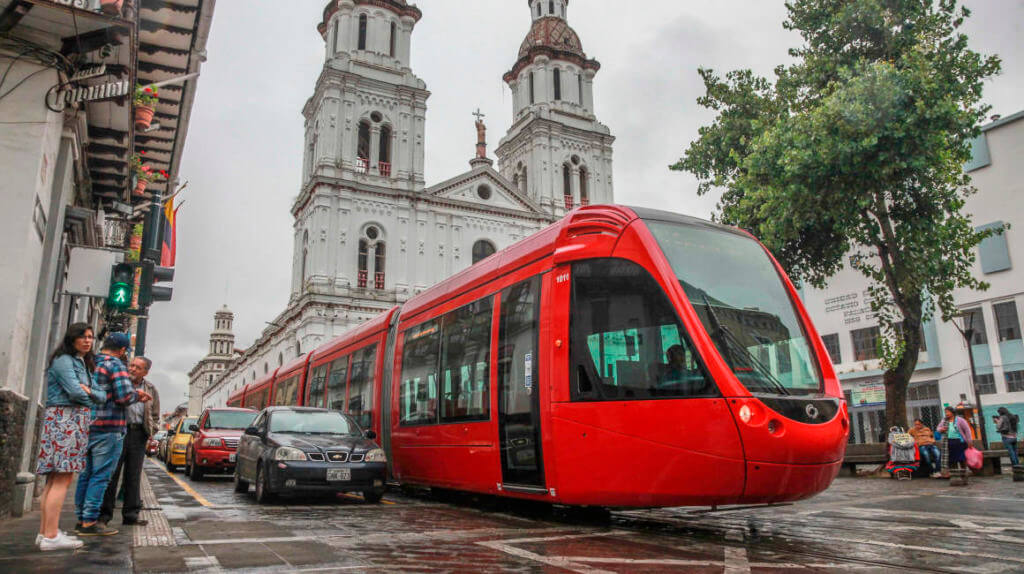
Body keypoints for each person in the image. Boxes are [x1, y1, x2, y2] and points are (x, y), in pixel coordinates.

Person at [34, 324, 106, 551]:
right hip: (66, 420)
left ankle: (46, 533)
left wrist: (89, 392)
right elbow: (75, 392)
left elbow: (102, 395)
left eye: (91, 337)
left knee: (55, 479)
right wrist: (88, 394)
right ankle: (51, 535)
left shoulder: (81, 363)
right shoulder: (64, 361)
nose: (88, 341)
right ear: (72, 338)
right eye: (83, 337)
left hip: (69, 420)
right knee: (61, 479)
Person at [74, 333, 151, 536]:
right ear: (123, 350)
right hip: (109, 426)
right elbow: (124, 396)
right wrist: (138, 396)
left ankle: (82, 517)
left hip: (87, 424)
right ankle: (90, 521)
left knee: (86, 474)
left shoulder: (88, 361)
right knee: (101, 476)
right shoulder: (115, 365)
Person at [99, 356, 161, 527]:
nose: (132, 369)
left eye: (137, 367)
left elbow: (155, 414)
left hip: (138, 434)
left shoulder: (151, 389)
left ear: (145, 372)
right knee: (112, 474)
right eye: (131, 365)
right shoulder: (121, 384)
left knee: (133, 475)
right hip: (118, 431)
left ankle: (131, 515)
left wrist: (151, 430)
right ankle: (104, 516)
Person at [936, 406, 973, 474]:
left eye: (948, 412)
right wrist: (941, 429)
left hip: (959, 442)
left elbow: (967, 430)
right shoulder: (944, 420)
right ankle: (954, 474)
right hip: (948, 442)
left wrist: (969, 441)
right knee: (952, 460)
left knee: (962, 458)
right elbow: (938, 428)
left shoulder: (960, 420)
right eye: (945, 412)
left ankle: (964, 473)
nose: (946, 414)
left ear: (952, 412)